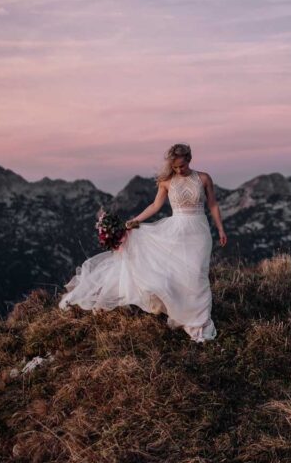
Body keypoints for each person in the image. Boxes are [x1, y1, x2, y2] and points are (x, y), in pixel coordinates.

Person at [58, 143, 227, 342]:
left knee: (198, 273)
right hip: (177, 230)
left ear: (189, 159)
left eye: (181, 166)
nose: (179, 170)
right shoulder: (167, 182)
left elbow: (213, 205)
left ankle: (199, 319)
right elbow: (155, 205)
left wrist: (220, 229)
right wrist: (136, 221)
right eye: (175, 167)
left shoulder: (204, 178)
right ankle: (185, 314)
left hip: (199, 231)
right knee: (181, 274)